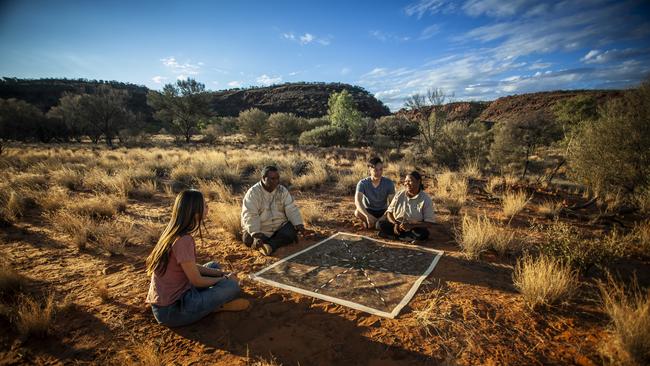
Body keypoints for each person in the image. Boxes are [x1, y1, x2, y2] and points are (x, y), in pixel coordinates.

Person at [145, 189, 250, 327]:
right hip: (173, 311)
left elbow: (192, 269)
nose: (208, 208)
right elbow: (197, 280)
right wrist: (225, 279)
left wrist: (221, 274)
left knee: (213, 266)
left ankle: (210, 302)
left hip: (169, 301)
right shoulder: (184, 240)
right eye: (205, 206)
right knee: (232, 286)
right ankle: (213, 308)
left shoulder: (172, 232)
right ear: (195, 213)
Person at [241, 165, 305, 256]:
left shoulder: (282, 190)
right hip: (261, 230)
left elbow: (291, 208)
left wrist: (299, 226)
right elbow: (250, 215)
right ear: (263, 178)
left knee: (292, 231)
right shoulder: (253, 193)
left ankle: (270, 246)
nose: (276, 181)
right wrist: (256, 235)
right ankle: (270, 243)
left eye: (277, 178)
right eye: (272, 179)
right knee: (247, 239)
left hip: (279, 227)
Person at [378, 171, 436, 242]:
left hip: (413, 227)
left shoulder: (426, 199)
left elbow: (429, 223)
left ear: (418, 182)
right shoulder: (399, 194)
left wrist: (411, 225)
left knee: (424, 232)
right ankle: (406, 237)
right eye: (405, 181)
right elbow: (389, 212)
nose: (406, 183)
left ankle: (396, 236)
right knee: (381, 224)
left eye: (410, 181)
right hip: (397, 225)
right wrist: (395, 223)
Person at [354, 157, 395, 229]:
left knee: (394, 213)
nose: (379, 172)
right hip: (369, 211)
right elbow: (358, 202)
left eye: (381, 169)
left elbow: (392, 203)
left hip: (383, 211)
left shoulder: (389, 183)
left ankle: (373, 223)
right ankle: (375, 222)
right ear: (369, 170)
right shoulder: (363, 183)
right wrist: (367, 216)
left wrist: (384, 216)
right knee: (357, 212)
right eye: (376, 170)